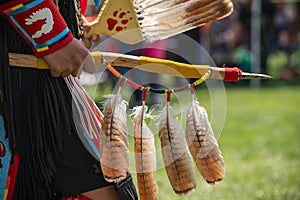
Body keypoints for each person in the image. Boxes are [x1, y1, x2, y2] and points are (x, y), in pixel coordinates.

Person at [0, 0, 137, 199]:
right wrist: (54, 36)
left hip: (47, 85)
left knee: (108, 183)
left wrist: (71, 23)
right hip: (16, 82)